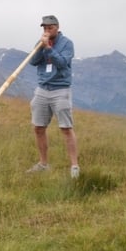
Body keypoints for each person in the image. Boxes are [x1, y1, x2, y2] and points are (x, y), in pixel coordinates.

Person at [27, 15, 80, 178]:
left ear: (57, 27)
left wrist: (49, 49)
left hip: (60, 90)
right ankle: (43, 164)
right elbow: (33, 61)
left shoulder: (67, 44)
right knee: (38, 127)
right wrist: (41, 46)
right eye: (44, 28)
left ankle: (74, 167)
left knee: (66, 128)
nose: (47, 30)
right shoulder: (41, 42)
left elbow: (62, 63)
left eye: (50, 27)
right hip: (42, 89)